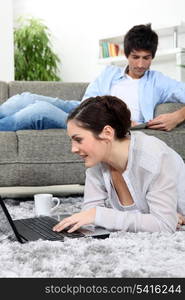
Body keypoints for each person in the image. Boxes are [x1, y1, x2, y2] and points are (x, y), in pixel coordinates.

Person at [0, 24, 184, 131]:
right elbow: (88, 100)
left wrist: (177, 116)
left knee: (39, 110)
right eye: (135, 57)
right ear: (126, 55)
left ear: (153, 57)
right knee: (25, 98)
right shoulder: (110, 73)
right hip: (84, 109)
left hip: (104, 123)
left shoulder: (159, 81)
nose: (141, 64)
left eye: (146, 58)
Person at [53, 95, 185, 234]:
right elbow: (90, 212)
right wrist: (94, 215)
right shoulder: (98, 162)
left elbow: (164, 226)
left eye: (79, 140)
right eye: (72, 141)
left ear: (108, 133)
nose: (73, 149)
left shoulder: (153, 157)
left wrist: (100, 215)